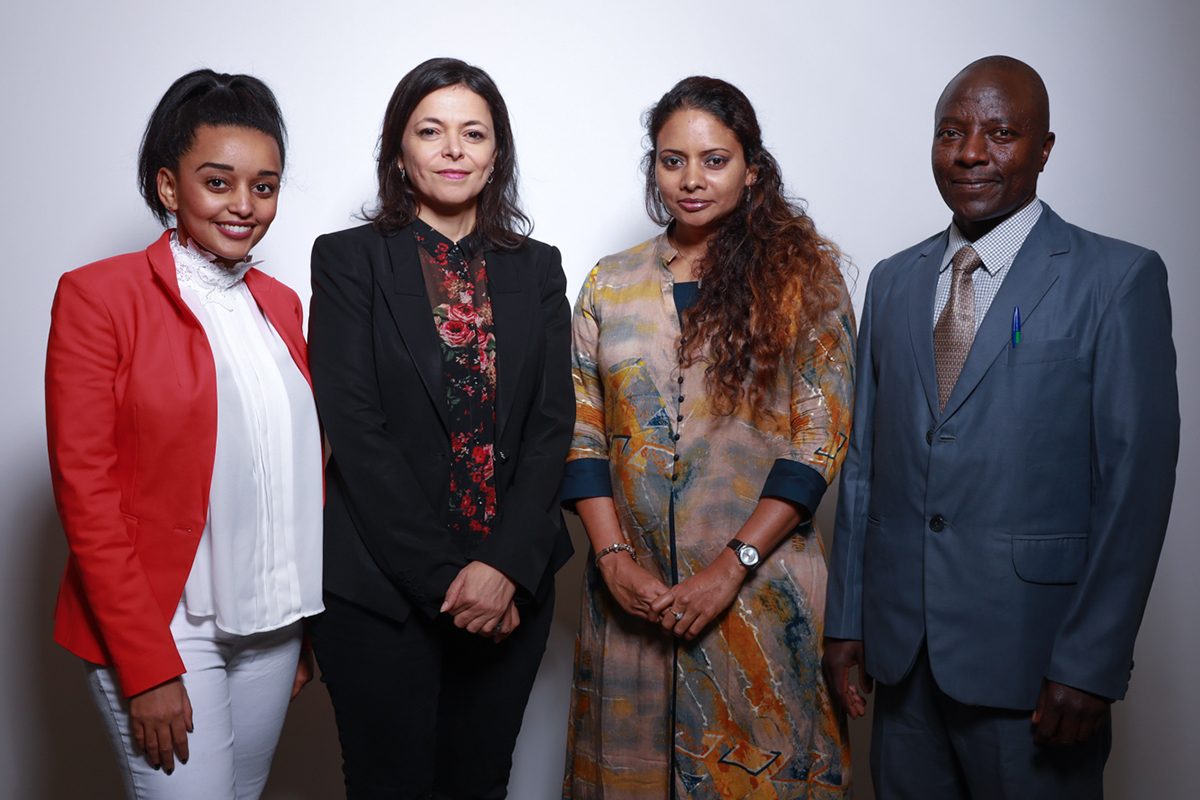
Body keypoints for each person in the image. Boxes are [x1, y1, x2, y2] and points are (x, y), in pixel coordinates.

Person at [823, 55, 1180, 799]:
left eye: (1001, 133)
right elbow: (863, 467)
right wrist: (847, 617)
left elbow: (1134, 486)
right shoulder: (892, 281)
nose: (971, 153)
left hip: (1037, 666)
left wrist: (1090, 659)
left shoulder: (1116, 280)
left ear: (1045, 148)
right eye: (951, 132)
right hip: (904, 657)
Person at [562, 76, 855, 799]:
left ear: (752, 167)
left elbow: (820, 440)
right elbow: (582, 430)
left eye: (714, 160)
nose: (690, 180)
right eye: (671, 160)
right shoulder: (611, 282)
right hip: (634, 599)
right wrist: (612, 560)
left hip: (758, 596)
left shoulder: (806, 279)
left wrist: (730, 567)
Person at [45, 69, 323, 799]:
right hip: (163, 626)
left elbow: (299, 465)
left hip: (271, 625)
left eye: (264, 186)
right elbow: (87, 494)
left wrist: (300, 627)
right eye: (218, 181)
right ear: (170, 187)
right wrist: (145, 665)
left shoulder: (281, 304)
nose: (244, 205)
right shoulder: (98, 296)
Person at [307, 57, 573, 799]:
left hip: (510, 586)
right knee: (388, 786)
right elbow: (354, 428)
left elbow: (554, 426)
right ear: (400, 150)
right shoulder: (347, 260)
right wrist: (451, 585)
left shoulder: (540, 268)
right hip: (382, 593)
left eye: (474, 133)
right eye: (431, 130)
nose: (453, 149)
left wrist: (502, 569)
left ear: (496, 157)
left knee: (480, 782)